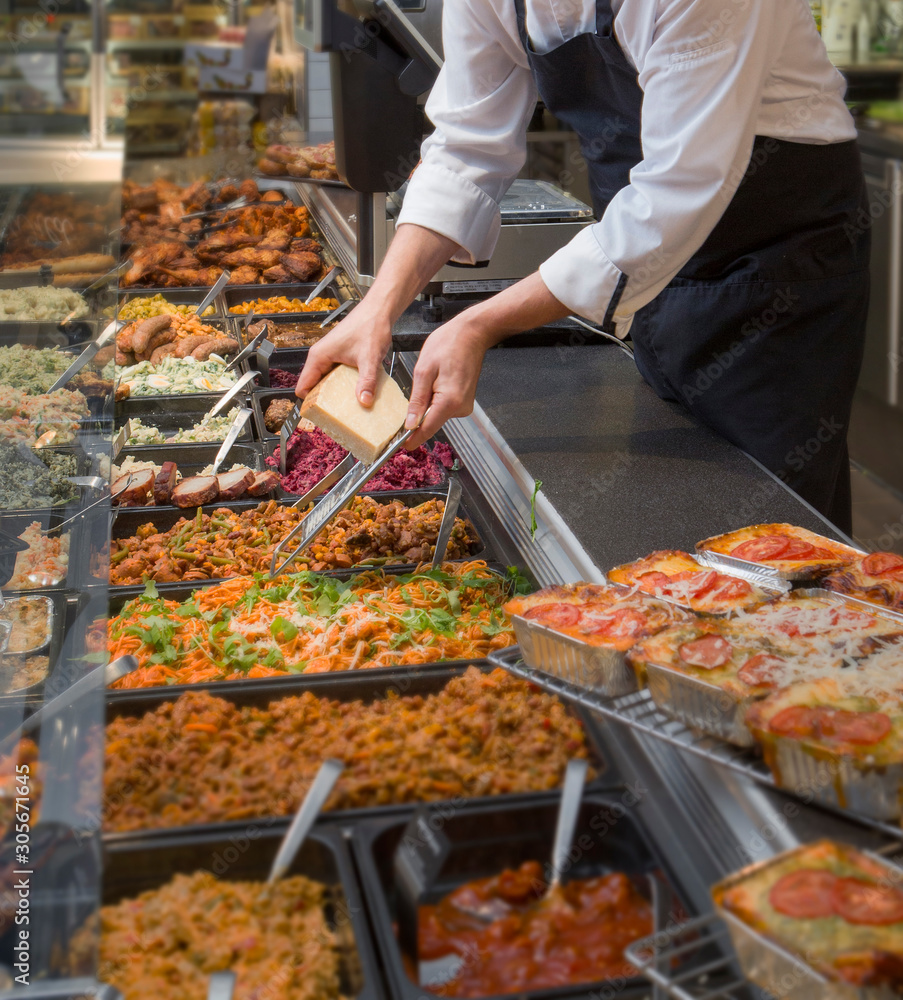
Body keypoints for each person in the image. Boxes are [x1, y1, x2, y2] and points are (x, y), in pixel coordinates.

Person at [297, 0, 870, 533]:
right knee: (682, 492)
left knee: (772, 515)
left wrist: (481, 324)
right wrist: (378, 308)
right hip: (646, 252)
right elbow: (466, 148)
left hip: (772, 256)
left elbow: (678, 188)